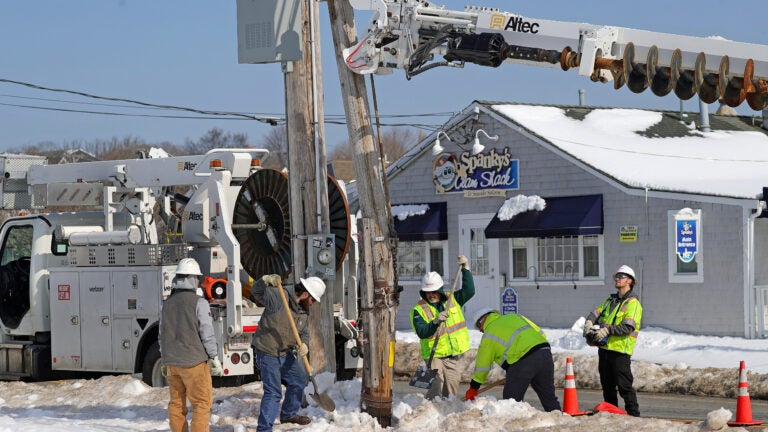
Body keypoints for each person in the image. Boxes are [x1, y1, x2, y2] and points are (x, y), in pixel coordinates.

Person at [249, 274, 326, 432]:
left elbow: (303, 332)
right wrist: (264, 280)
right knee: (273, 392)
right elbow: (256, 292)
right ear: (305, 294)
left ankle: (288, 414)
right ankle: (264, 429)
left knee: (298, 378)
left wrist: (304, 344)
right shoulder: (279, 296)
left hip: (284, 352)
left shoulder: (303, 311)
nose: (312, 304)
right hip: (267, 350)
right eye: (312, 300)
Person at [159, 258, 223, 432]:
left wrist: (165, 359)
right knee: (202, 403)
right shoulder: (199, 303)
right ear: (190, 278)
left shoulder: (166, 304)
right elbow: (206, 331)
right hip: (194, 362)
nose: (199, 282)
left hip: (172, 363)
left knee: (176, 404)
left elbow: (161, 335)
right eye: (197, 278)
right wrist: (214, 356)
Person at [465, 309, 561, 412]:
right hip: (544, 351)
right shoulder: (515, 316)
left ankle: (513, 426)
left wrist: (474, 387)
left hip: (522, 361)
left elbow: (482, 365)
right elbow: (541, 333)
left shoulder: (489, 334)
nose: (481, 331)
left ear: (482, 321)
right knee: (548, 397)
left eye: (479, 328)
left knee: (510, 402)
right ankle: (560, 420)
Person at [410, 255, 475, 400]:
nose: (431, 295)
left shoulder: (452, 299)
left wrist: (466, 269)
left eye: (434, 292)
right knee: (435, 391)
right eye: (428, 292)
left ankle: (447, 417)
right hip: (434, 357)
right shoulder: (418, 310)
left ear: (440, 290)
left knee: (450, 393)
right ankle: (431, 416)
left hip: (452, 356)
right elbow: (422, 332)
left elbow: (469, 290)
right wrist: (435, 322)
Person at [583, 264, 643, 417]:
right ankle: (612, 416)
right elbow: (595, 312)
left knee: (624, 388)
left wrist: (607, 330)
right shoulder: (610, 300)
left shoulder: (633, 303)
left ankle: (634, 418)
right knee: (607, 387)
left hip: (620, 352)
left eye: (621, 276)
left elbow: (628, 327)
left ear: (629, 281)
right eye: (617, 276)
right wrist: (589, 323)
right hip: (605, 350)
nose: (617, 278)